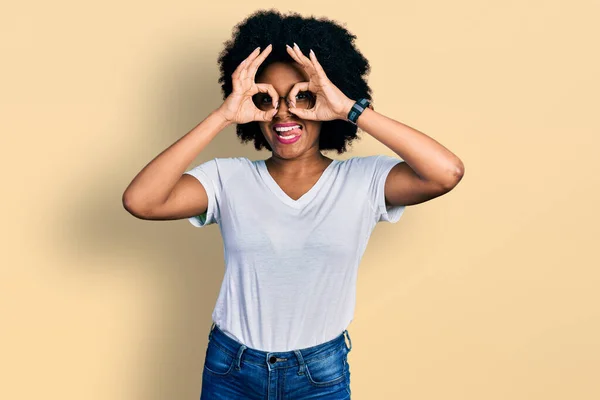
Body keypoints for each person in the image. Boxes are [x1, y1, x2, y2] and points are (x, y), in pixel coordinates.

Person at [122, 9, 464, 400]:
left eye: (303, 96)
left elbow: (446, 172)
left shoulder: (363, 181)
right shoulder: (228, 179)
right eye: (267, 98)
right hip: (231, 367)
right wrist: (224, 114)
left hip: (318, 374)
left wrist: (349, 108)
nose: (284, 111)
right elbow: (141, 200)